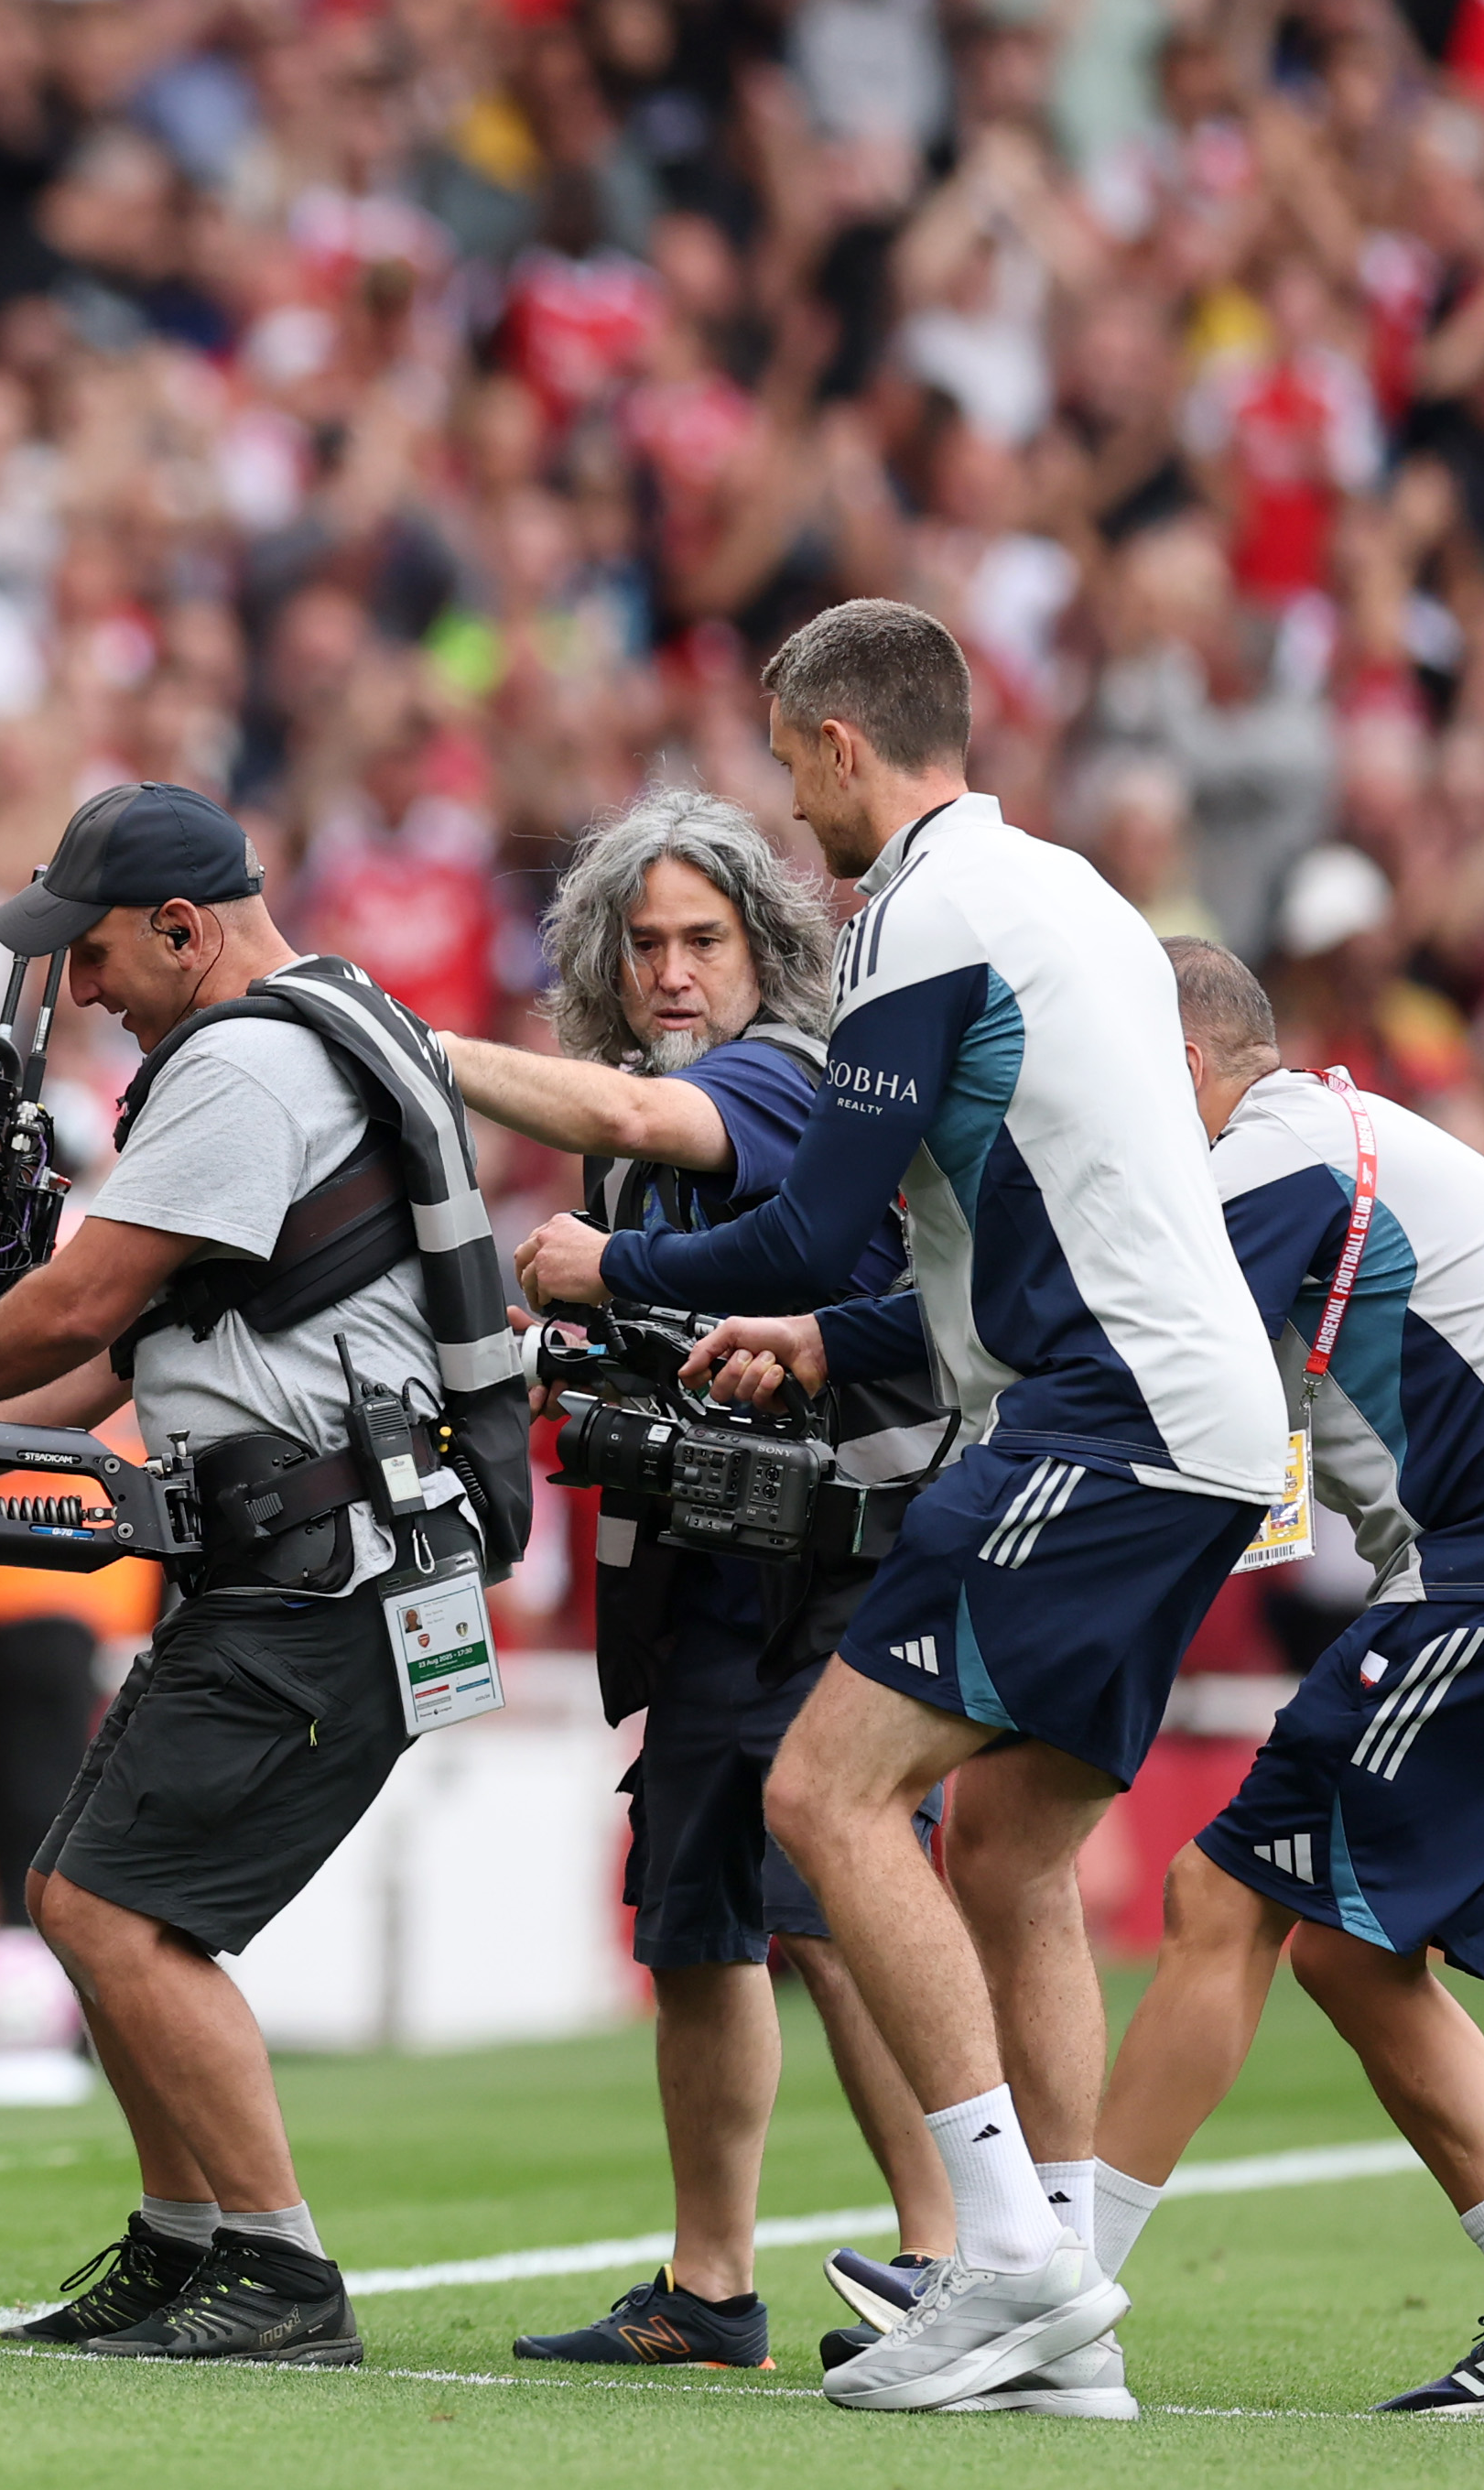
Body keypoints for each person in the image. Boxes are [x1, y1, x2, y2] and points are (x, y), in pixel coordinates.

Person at [519, 601, 1279, 2419]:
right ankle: (1060, 2311)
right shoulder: (1071, 891)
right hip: (1191, 1421)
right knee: (1008, 1853)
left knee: (822, 1790)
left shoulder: (916, 915)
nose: (797, 809)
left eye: (791, 769)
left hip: (1095, 1421)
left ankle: (1000, 2257)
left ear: (843, 745)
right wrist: (824, 1333)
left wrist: (607, 1258)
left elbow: (792, 1215)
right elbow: (982, 1236)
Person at [0, 779, 537, 2370]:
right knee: (81, 1898)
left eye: (91, 955)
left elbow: (84, 1304)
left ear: (181, 927)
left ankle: (280, 2267)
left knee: (113, 1905)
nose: (78, 989)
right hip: (307, 1557)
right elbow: (111, 1365)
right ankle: (185, 2241)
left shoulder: (242, 1061)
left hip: (323, 1562)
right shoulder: (281, 1043)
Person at [1082, 941, 1484, 2419]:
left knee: (1222, 1901)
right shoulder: (1327, 1145)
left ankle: (1048, 2282)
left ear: (1173, 1068)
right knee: (1351, 1950)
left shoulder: (1273, 1153)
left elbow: (1106, 1333)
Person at [437, 788, 957, 2367]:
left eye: (702, 939)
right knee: (697, 1926)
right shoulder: (642, 1141)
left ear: (765, 948)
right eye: (644, 941)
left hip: (834, 1565)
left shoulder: (785, 1079)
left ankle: (951, 2253)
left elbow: (638, 1122)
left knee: (834, 1903)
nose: (672, 969)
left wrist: (400, 1041)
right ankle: (708, 2280)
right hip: (706, 1571)